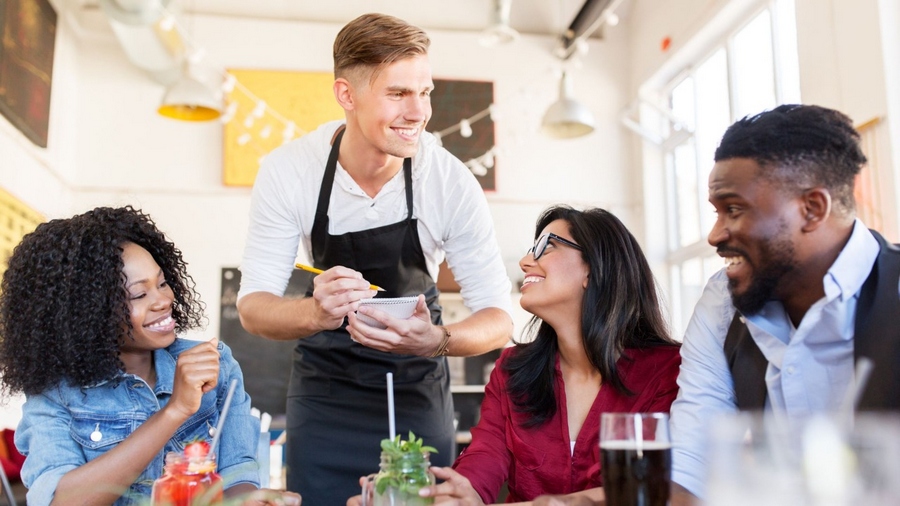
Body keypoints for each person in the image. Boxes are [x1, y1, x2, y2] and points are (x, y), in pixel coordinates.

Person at [235, 12, 514, 505]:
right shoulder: (289, 172)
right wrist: (314, 312)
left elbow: (499, 318)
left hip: (415, 390)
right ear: (347, 94)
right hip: (325, 394)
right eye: (398, 93)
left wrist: (436, 340)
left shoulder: (447, 181)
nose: (419, 111)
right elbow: (254, 308)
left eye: (425, 92)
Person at [0, 206, 301, 506]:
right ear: (85, 315)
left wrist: (248, 501)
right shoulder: (56, 395)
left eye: (162, 283)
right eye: (139, 295)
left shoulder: (215, 363)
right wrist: (174, 410)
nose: (163, 300)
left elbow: (238, 470)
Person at [668, 104, 892, 505]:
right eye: (716, 212)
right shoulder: (722, 302)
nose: (715, 235)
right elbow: (692, 466)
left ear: (812, 209)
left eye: (733, 209)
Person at [414, 206, 681, 504]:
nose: (526, 261)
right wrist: (463, 492)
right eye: (531, 249)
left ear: (593, 267)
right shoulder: (512, 369)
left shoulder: (672, 370)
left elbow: (664, 483)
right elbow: (484, 455)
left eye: (546, 247)